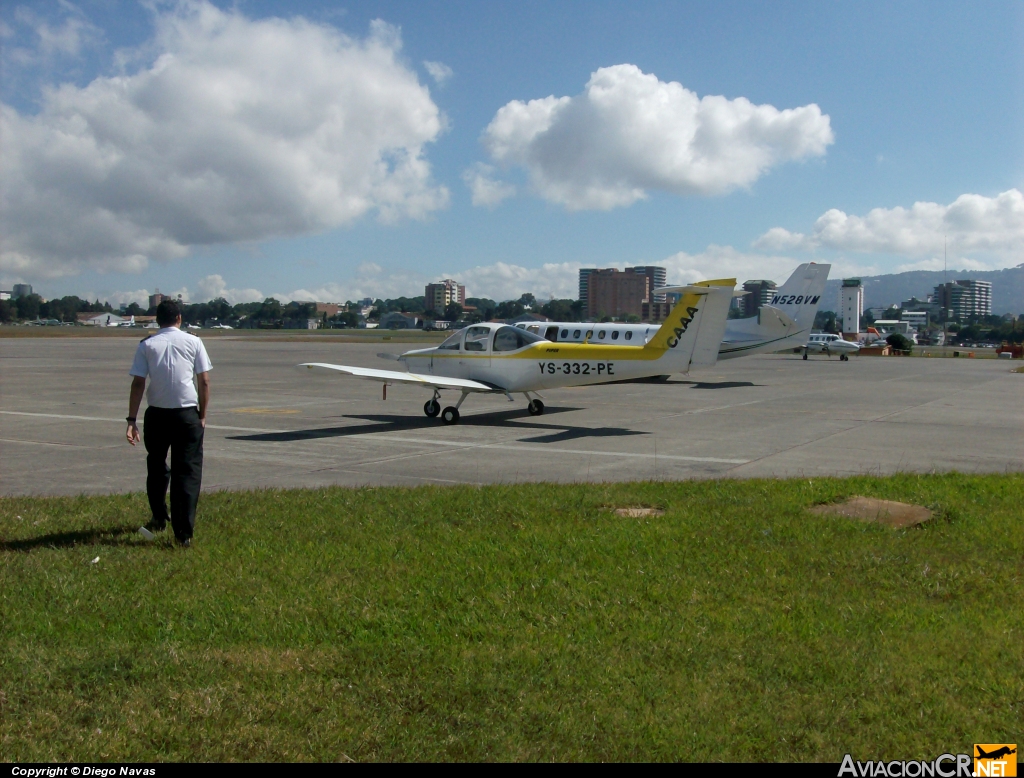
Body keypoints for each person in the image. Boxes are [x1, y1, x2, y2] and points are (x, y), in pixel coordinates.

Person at [126, 299, 212, 547]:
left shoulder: (147, 345)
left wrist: (131, 419)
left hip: (157, 414)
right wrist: (202, 414)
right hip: (187, 414)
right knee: (187, 471)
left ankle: (159, 515)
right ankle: (183, 533)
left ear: (157, 319)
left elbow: (138, 383)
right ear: (179, 318)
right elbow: (203, 381)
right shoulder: (194, 341)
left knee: (156, 465)